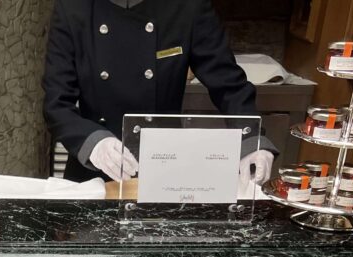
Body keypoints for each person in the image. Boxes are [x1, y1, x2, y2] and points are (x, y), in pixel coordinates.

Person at [43, 0, 276, 186]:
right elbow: (57, 104)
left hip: (164, 167)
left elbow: (229, 85)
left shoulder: (187, 6)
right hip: (92, 172)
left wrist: (252, 139)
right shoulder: (73, 7)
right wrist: (94, 142)